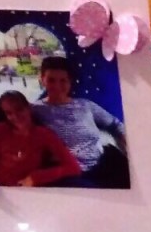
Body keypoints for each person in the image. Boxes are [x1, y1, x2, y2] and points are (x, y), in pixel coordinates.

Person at [32, 57, 130, 189]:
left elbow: (116, 125)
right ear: (42, 80)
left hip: (102, 165)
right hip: (69, 173)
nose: (57, 86)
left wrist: (128, 149)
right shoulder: (34, 110)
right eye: (51, 80)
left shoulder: (85, 105)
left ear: (70, 82)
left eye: (63, 81)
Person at [0, 90, 80, 187]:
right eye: (9, 113)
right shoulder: (0, 130)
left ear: (28, 108)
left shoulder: (43, 134)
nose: (15, 116)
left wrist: (36, 177)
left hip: (23, 191)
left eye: (19, 109)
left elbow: (73, 167)